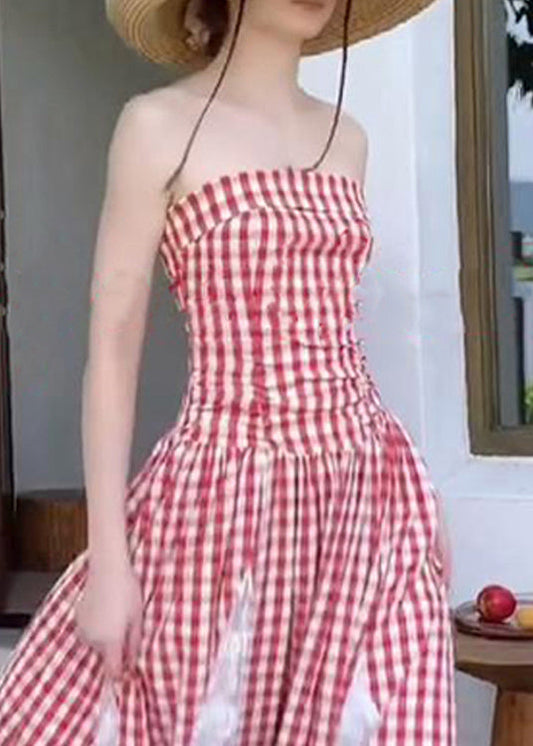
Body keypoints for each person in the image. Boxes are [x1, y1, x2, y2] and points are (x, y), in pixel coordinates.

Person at [0, 0, 456, 743]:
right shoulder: (156, 126)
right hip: (227, 493)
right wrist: (109, 562)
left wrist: (420, 497)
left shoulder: (347, 138)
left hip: (368, 490)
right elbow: (112, 351)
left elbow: (337, 333)